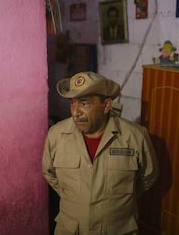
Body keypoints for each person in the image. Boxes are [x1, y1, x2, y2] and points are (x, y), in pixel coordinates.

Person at [42, 71, 159, 234]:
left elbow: (148, 176)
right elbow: (49, 173)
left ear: (106, 106)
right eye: (72, 103)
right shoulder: (56, 135)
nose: (75, 112)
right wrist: (78, 200)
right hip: (71, 229)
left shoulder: (135, 136)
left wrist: (115, 203)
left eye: (84, 103)